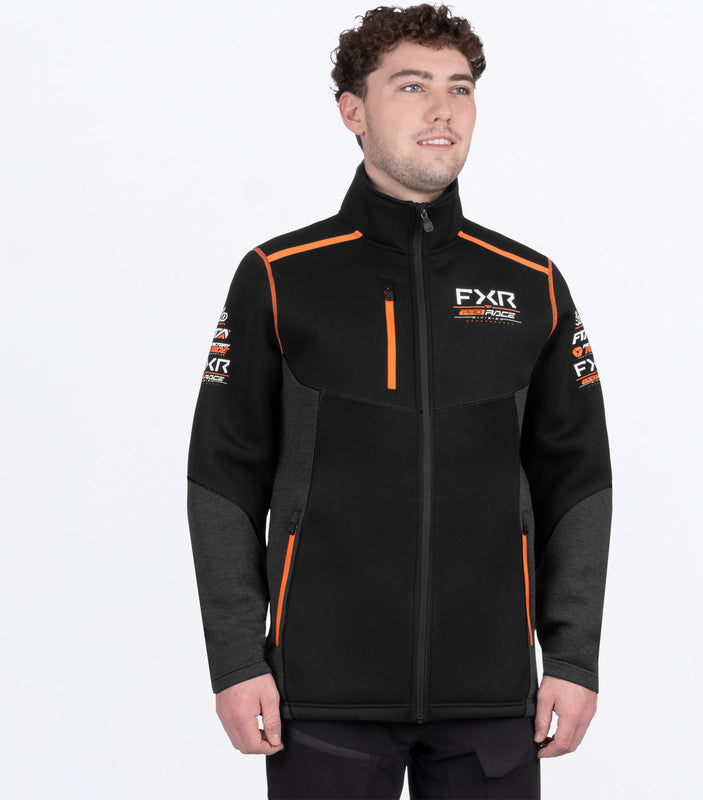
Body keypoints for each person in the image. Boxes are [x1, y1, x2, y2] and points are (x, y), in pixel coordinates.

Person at [187, 4, 612, 798]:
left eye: (460, 88)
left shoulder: (531, 285)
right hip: (322, 697)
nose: (442, 109)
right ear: (353, 111)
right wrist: (238, 660)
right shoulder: (280, 277)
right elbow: (223, 477)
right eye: (412, 86)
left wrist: (574, 658)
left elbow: (577, 481)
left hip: (494, 699)